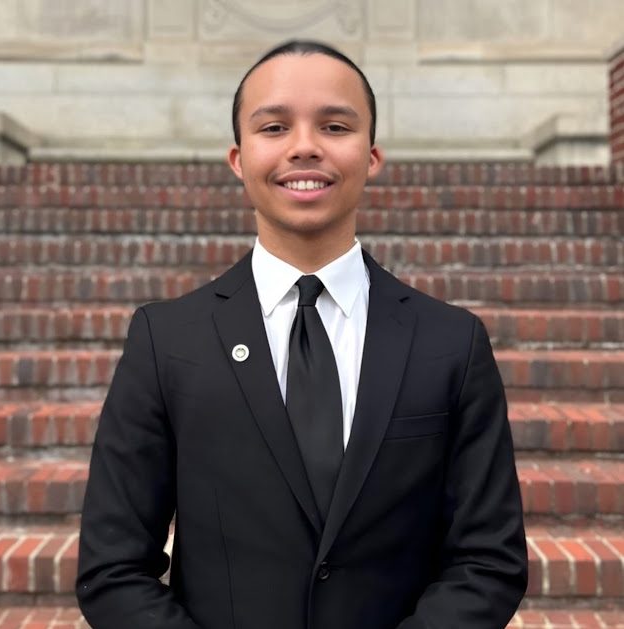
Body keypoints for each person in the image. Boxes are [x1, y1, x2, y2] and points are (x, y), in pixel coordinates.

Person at [76, 40, 528, 629]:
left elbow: (489, 562)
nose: (305, 146)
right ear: (238, 158)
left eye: (335, 126)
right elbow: (112, 569)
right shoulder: (167, 341)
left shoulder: (451, 342)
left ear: (372, 156)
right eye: (274, 127)